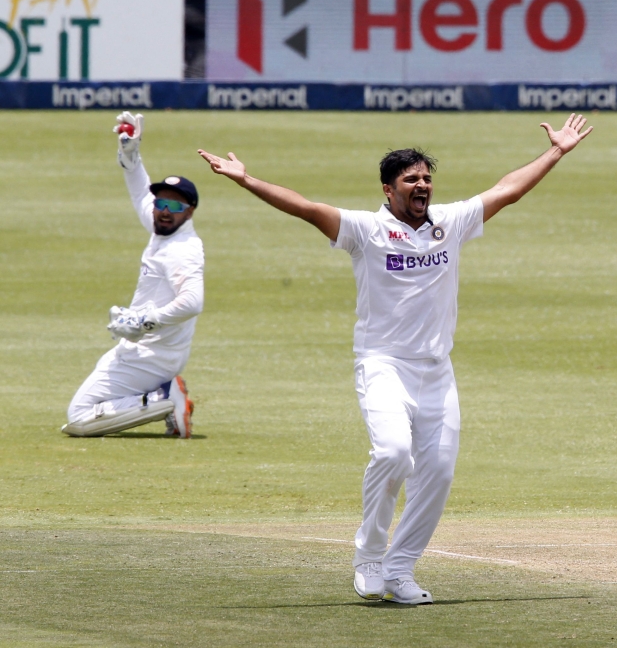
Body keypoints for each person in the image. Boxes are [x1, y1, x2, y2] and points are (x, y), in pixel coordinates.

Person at [198, 113, 593, 603]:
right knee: (391, 452)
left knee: (439, 472)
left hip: (437, 371)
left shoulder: (451, 222)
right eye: (411, 179)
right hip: (383, 364)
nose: (422, 184)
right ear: (389, 190)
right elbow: (304, 207)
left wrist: (557, 151)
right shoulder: (366, 230)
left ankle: (400, 569)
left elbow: (506, 190)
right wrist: (246, 179)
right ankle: (368, 556)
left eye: (427, 177)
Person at [64, 113, 203, 438]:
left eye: (176, 206)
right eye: (162, 202)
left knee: (79, 418)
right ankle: (164, 400)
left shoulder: (184, 250)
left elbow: (193, 302)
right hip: (144, 351)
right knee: (83, 410)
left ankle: (165, 397)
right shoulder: (162, 225)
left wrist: (145, 322)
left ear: (191, 212)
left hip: (153, 355)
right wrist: (130, 154)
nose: (166, 210)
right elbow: (142, 194)